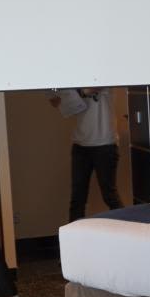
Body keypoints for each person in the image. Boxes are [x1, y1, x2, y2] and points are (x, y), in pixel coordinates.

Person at [49, 88, 124, 222]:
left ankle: (127, 230)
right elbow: (55, 101)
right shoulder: (74, 82)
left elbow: (90, 89)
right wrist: (56, 93)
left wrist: (73, 93)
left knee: (110, 196)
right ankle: (73, 235)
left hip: (105, 144)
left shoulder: (101, 77)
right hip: (80, 145)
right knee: (77, 199)